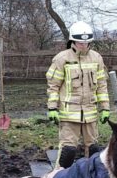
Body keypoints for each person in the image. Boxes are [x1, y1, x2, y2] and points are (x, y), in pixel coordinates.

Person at [46, 21, 110, 168]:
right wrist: (52, 108)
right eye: (80, 42)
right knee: (68, 152)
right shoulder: (62, 59)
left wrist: (105, 108)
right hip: (69, 114)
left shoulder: (96, 58)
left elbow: (101, 85)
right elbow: (53, 86)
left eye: (87, 42)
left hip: (90, 113)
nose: (84, 45)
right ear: (72, 41)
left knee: (93, 150)